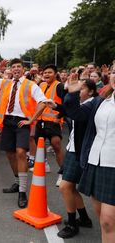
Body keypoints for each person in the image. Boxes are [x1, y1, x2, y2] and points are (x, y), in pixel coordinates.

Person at [0, 58, 54, 208]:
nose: (15, 69)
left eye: (18, 67)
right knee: (9, 153)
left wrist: (31, 120)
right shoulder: (6, 82)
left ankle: (22, 191)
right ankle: (17, 181)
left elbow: (43, 101)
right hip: (7, 121)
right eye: (13, 67)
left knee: (21, 152)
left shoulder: (31, 84)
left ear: (23, 69)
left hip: (22, 122)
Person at [63, 69, 115, 243]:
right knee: (103, 220)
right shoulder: (101, 100)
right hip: (95, 162)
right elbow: (76, 114)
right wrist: (72, 93)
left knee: (108, 221)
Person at [56, 79, 97, 239]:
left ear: (92, 91)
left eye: (82, 88)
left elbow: (77, 115)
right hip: (73, 149)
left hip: (79, 151)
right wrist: (57, 107)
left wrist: (70, 93)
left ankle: (73, 224)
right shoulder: (85, 104)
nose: (78, 91)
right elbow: (71, 112)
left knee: (65, 187)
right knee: (70, 188)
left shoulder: (93, 104)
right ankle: (85, 219)